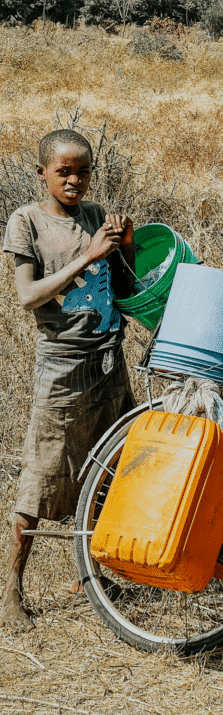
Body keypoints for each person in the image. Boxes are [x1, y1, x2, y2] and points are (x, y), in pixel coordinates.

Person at [0, 129, 136, 627]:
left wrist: (127, 245)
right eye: (64, 171)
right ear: (43, 174)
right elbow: (27, 296)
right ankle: (11, 588)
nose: (75, 180)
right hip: (61, 363)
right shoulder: (27, 222)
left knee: (105, 470)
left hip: (107, 360)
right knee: (42, 474)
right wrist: (88, 256)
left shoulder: (97, 218)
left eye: (83, 171)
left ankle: (92, 576)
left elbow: (123, 286)